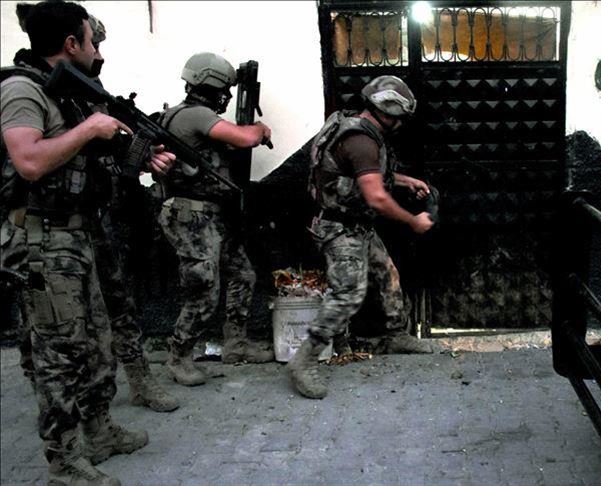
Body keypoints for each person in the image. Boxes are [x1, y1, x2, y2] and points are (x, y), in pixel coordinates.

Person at [0, 2, 175, 484]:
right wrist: (90, 128)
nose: (97, 50)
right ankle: (64, 461)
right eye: (91, 40)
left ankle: (99, 431)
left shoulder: (71, 92)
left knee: (96, 341)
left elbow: (92, 154)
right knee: (58, 355)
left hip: (77, 234)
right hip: (42, 238)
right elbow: (29, 162)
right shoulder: (21, 89)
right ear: (71, 43)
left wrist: (139, 152)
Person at [289, 75, 435, 400]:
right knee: (347, 295)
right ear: (389, 111)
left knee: (387, 272)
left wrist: (405, 181)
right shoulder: (361, 140)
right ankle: (304, 360)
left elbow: (367, 174)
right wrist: (413, 221)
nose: (401, 123)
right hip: (340, 229)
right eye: (400, 116)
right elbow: (376, 197)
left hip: (356, 225)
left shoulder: (358, 129)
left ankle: (396, 335)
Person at [156, 52, 274, 387]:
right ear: (212, 85)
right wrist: (260, 128)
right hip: (192, 215)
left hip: (211, 214)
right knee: (204, 290)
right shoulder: (194, 114)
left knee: (243, 274)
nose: (227, 96)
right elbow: (245, 137)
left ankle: (236, 345)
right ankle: (179, 356)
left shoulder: (187, 113)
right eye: (225, 89)